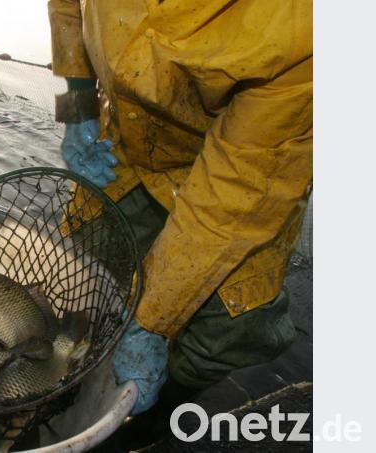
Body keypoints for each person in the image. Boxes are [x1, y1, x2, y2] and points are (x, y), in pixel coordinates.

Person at [48, 0, 312, 448]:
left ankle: (154, 420)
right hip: (130, 139)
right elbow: (67, 6)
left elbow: (234, 192)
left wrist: (154, 322)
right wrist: (79, 105)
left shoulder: (306, 25)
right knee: (85, 266)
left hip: (245, 168)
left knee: (226, 333)